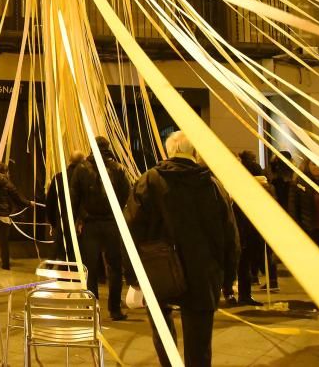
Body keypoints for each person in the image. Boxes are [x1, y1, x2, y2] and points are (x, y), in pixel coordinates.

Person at [125, 131, 238, 367]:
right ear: (195, 153)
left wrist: (133, 275)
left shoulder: (149, 181)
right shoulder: (213, 185)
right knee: (199, 345)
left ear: (169, 151)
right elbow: (230, 234)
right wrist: (228, 278)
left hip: (159, 269)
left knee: (162, 329)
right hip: (204, 272)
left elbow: (131, 228)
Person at [70, 136, 132, 321]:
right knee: (114, 266)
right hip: (112, 223)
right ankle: (114, 309)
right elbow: (126, 195)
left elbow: (74, 197)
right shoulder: (119, 168)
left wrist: (77, 219)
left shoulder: (81, 169)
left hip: (90, 223)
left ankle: (90, 307)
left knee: (90, 267)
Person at [229, 151, 269, 306]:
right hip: (232, 224)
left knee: (245, 261)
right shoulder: (222, 179)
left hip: (246, 225)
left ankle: (245, 294)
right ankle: (229, 292)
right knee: (233, 262)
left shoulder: (247, 178)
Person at [46, 152, 85, 260]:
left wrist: (53, 221)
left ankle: (63, 273)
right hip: (81, 221)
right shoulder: (86, 177)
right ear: (83, 161)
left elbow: (50, 201)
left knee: (62, 252)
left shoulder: (58, 177)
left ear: (70, 161)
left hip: (61, 219)